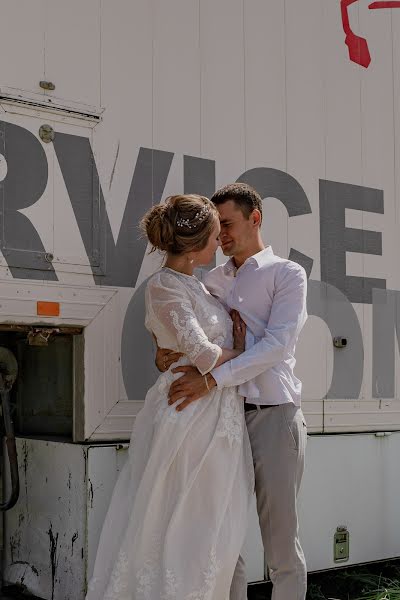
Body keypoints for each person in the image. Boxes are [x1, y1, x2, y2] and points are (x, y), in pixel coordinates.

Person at [85, 194, 254, 600]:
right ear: (195, 246)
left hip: (217, 414)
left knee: (211, 522)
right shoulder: (163, 285)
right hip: (189, 414)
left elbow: (192, 351)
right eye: (215, 236)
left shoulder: (199, 287)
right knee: (178, 519)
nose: (219, 243)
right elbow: (203, 355)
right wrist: (247, 352)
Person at [158, 183, 308, 600]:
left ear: (255, 218)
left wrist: (210, 380)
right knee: (225, 542)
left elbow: (277, 346)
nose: (219, 235)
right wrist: (163, 352)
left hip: (274, 415)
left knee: (281, 544)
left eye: (226, 224)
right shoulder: (210, 282)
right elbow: (192, 332)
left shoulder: (287, 274)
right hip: (222, 421)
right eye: (215, 227)